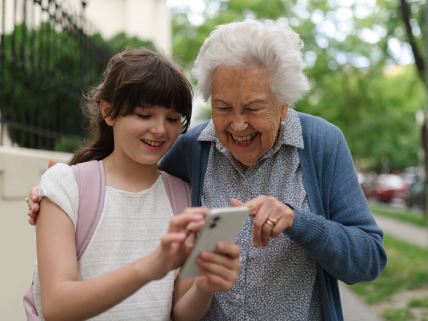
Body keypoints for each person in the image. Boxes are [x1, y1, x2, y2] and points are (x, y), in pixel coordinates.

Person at [27, 20, 387, 321]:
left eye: (254, 107)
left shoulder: (321, 143)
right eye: (224, 106)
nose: (237, 125)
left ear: (283, 104)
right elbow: (130, 176)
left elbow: (368, 260)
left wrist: (299, 222)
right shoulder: (190, 147)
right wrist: (60, 188)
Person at [26, 47, 240, 321]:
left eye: (173, 119)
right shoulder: (66, 185)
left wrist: (204, 285)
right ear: (109, 112)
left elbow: (181, 313)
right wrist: (151, 267)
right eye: (144, 114)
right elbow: (58, 307)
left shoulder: (182, 193)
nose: (161, 129)